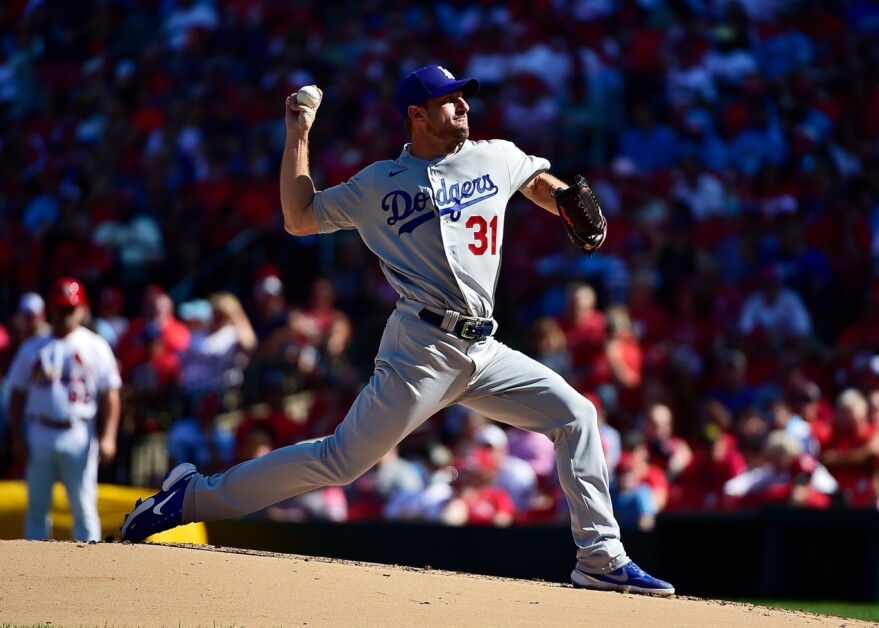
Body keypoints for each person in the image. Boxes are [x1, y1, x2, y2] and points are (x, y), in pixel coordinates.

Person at [119, 64, 674, 596]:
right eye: (448, 100)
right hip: (422, 348)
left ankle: (601, 560)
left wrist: (561, 202)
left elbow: (533, 181)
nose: (462, 105)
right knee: (338, 461)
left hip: (483, 345)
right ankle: (190, 499)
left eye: (463, 97)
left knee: (576, 414)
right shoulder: (378, 183)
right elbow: (298, 216)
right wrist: (298, 133)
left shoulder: (495, 155)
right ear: (416, 115)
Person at [6, 278, 122, 541]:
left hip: (79, 430)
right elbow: (16, 395)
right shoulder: (33, 347)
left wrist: (108, 436)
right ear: (51, 308)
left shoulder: (95, 345)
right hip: (40, 429)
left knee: (83, 507)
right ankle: (34, 572)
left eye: (71, 308)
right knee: (37, 508)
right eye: (61, 308)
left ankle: (89, 568)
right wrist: (17, 437)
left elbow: (111, 394)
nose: (66, 314)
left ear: (82, 308)